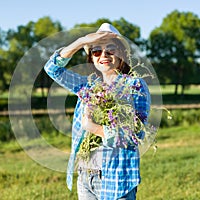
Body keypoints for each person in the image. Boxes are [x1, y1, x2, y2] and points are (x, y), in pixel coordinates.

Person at [44, 23, 151, 200]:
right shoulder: (88, 87)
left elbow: (136, 134)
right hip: (85, 175)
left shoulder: (134, 86)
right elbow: (52, 69)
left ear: (121, 54)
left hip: (116, 177)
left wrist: (93, 128)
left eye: (110, 50)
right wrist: (81, 42)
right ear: (91, 58)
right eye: (96, 51)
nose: (103, 56)